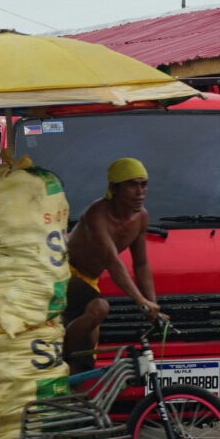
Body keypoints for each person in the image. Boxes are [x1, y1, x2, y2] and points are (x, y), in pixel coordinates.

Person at [62, 159, 163, 374]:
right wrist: (140, 301)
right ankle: (55, 359)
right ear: (113, 188)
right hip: (65, 273)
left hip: (90, 281)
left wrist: (153, 307)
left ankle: (75, 396)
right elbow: (111, 260)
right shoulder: (96, 214)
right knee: (99, 308)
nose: (140, 192)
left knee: (84, 360)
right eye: (132, 185)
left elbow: (141, 264)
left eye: (144, 184)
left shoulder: (141, 217)